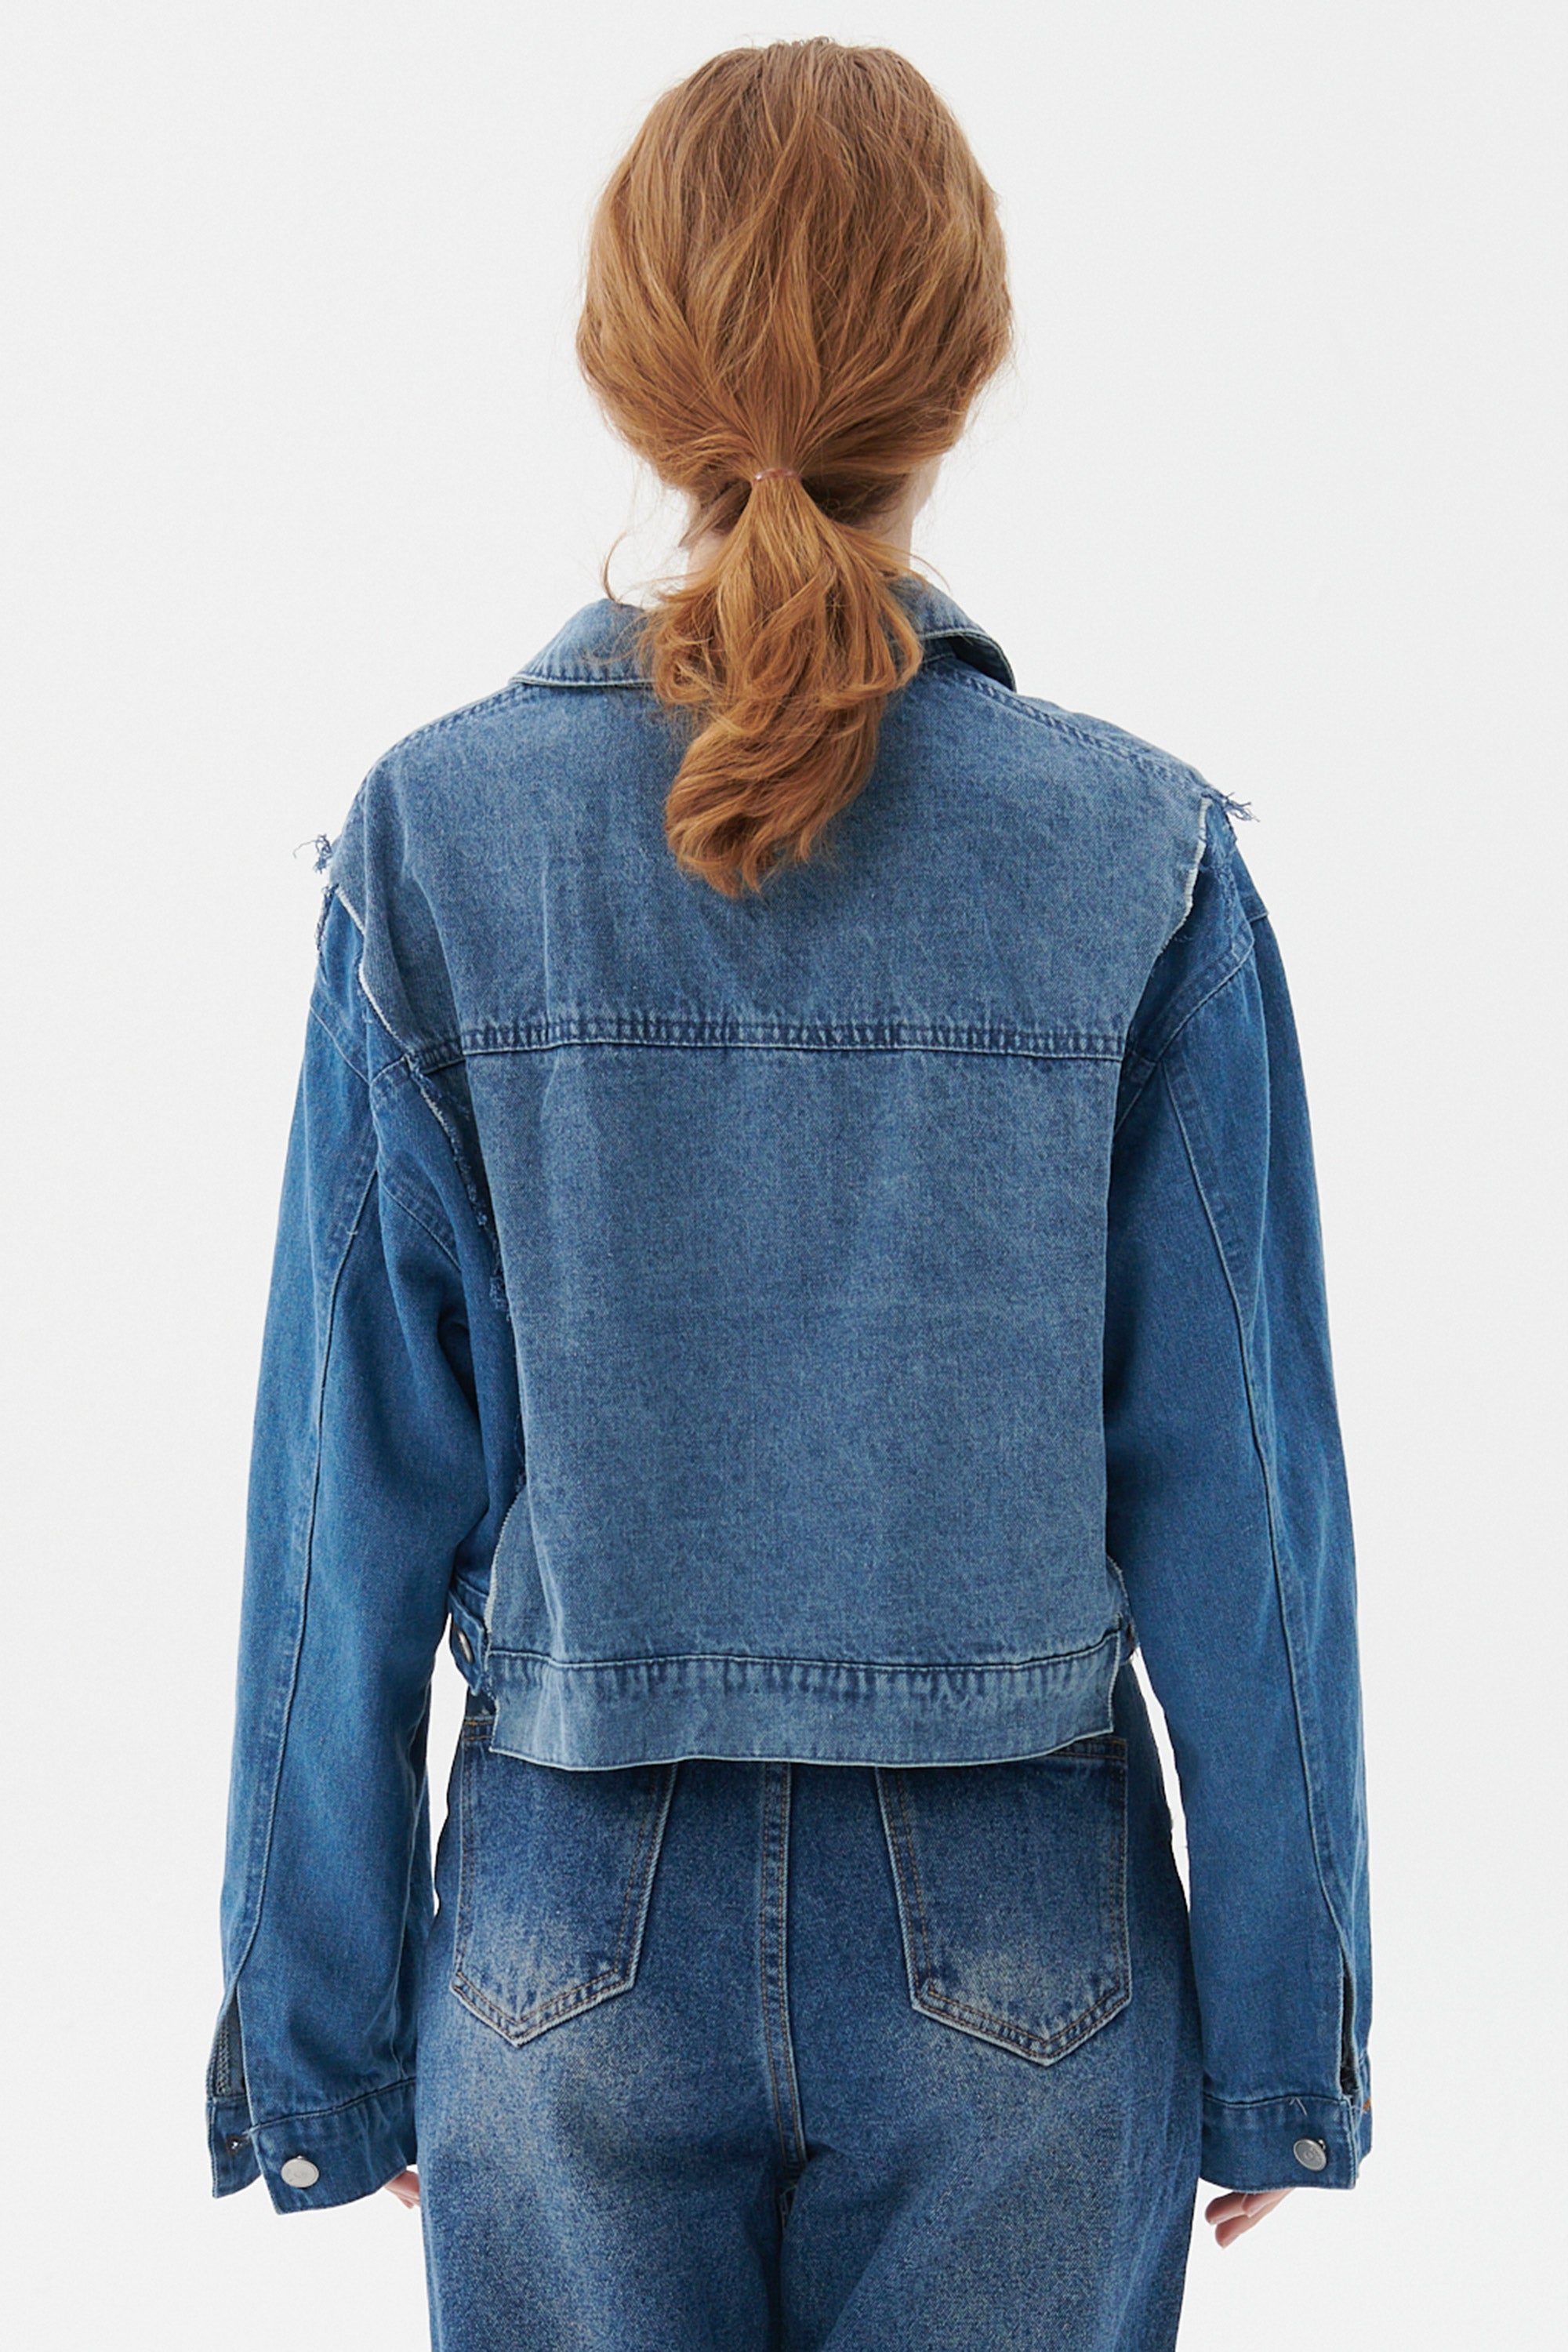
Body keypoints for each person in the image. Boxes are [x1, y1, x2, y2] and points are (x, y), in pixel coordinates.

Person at [206, 38, 1370, 2352]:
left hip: (563, 1931)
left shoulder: (436, 841)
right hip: (1027, 1930)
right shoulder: (1137, 854)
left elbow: (344, 1501)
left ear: (625, 369)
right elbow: (1245, 1502)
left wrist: (323, 2029)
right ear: (967, 364)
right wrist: (1282, 2038)